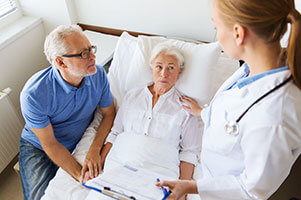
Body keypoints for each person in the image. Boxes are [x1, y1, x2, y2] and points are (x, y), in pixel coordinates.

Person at [157, 0, 301, 199]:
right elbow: (233, 119)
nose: (217, 35)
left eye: (216, 27)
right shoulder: (252, 68)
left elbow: (250, 190)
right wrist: (202, 112)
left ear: (238, 33)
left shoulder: (275, 116)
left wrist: (191, 187)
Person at [85, 44, 202, 191]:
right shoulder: (132, 96)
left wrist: (182, 189)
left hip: (158, 174)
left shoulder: (186, 108)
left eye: (171, 68)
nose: (164, 73)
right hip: (120, 165)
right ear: (152, 68)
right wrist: (97, 169)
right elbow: (115, 133)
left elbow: (189, 152)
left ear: (179, 72)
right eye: (159, 67)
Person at [19, 25, 115, 200]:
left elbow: (109, 114)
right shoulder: (33, 95)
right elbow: (50, 144)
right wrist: (80, 175)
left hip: (78, 139)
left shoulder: (98, 75)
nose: (93, 57)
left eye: (91, 49)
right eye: (84, 54)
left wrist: (95, 148)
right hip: (40, 146)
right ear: (61, 62)